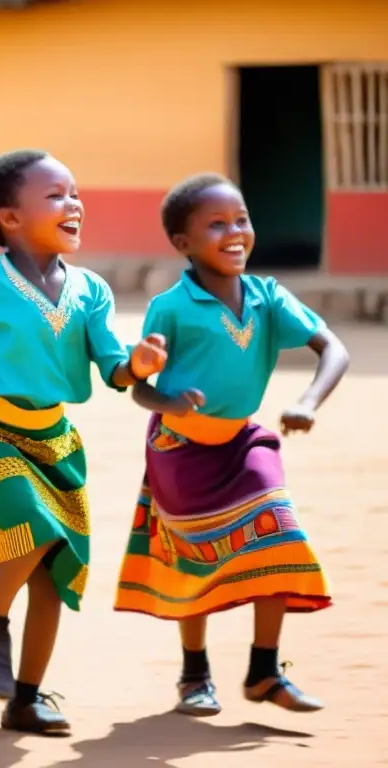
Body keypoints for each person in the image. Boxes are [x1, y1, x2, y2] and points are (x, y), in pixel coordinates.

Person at [0, 150, 167, 735]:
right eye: (54, 195)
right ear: (10, 219)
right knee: (30, 522)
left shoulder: (92, 290)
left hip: (56, 441)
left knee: (55, 569)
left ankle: (26, 698)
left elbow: (113, 369)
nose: (73, 203)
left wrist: (139, 365)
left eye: (75, 193)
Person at [113, 173, 349, 717]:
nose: (234, 232)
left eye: (241, 219)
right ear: (183, 244)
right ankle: (194, 675)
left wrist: (307, 402)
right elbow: (139, 388)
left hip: (244, 443)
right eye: (216, 225)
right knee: (194, 558)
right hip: (180, 450)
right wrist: (168, 403)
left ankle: (264, 672)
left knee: (278, 532)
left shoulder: (268, 297)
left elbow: (332, 347)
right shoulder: (171, 308)